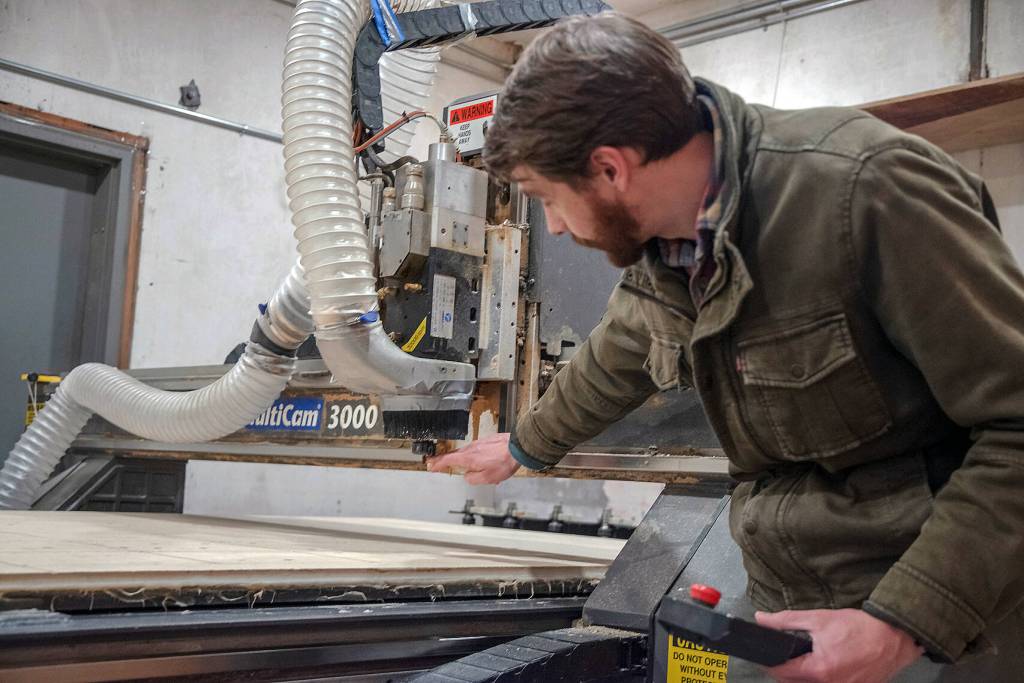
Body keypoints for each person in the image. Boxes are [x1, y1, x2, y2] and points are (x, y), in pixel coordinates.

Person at [426, 12, 1024, 682]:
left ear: (610, 167)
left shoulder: (864, 191)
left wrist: (900, 624)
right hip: (780, 599)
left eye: (550, 200)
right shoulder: (668, 247)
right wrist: (523, 444)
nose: (557, 228)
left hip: (933, 622)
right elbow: (620, 350)